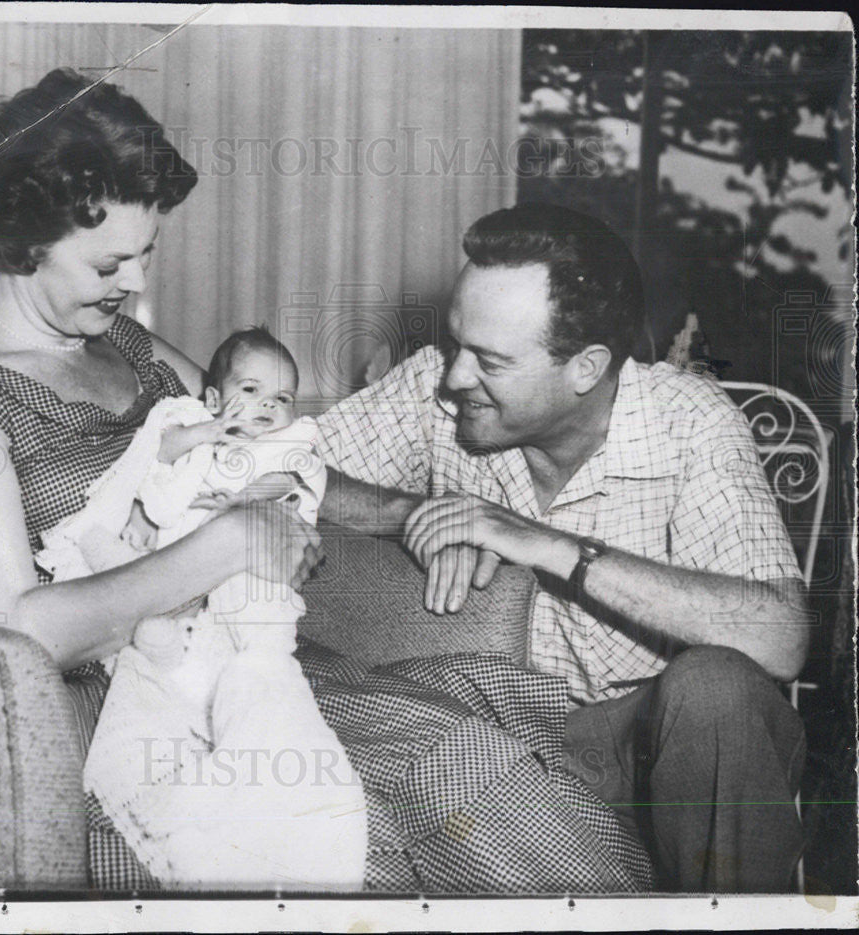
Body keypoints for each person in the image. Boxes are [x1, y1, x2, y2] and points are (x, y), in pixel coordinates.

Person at [0, 69, 654, 894]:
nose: (137, 283)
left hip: (241, 666)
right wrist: (220, 548)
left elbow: (275, 448)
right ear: (21, 243)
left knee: (483, 771)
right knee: (370, 828)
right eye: (111, 261)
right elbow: (13, 635)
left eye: (147, 253)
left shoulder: (127, 350)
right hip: (125, 719)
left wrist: (406, 512)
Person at [315, 202, 810, 893]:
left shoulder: (689, 423)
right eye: (458, 344)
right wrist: (410, 511)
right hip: (506, 739)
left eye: (488, 360)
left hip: (656, 748)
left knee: (717, 688)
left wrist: (546, 544)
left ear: (587, 368)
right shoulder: (436, 390)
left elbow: (781, 636)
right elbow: (273, 470)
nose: (455, 377)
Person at [33, 327, 367, 890]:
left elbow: (291, 480)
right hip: (180, 570)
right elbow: (156, 463)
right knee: (159, 609)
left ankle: (257, 675)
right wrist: (209, 434)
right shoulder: (192, 428)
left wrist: (241, 501)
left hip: (249, 564)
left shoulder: (287, 443)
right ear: (213, 398)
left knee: (259, 616)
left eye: (281, 398)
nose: (267, 407)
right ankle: (168, 657)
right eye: (252, 390)